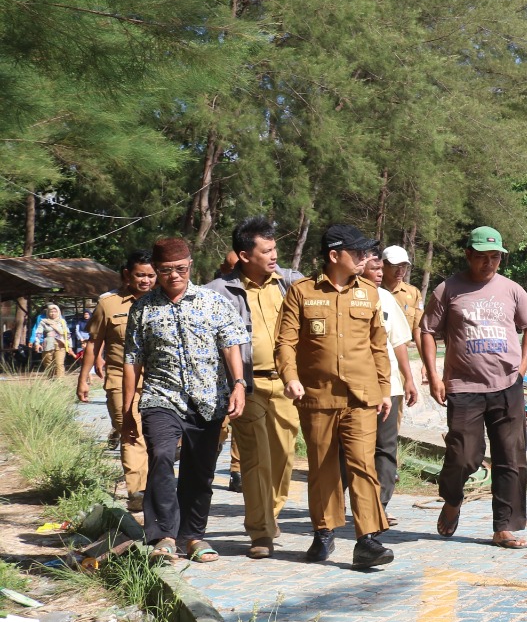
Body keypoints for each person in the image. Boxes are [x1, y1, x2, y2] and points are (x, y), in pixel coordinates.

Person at [122, 237, 249, 562]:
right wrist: (127, 411)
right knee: (162, 456)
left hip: (207, 399)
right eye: (165, 270)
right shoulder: (142, 309)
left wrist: (238, 384)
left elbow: (231, 344)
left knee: (200, 469)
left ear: (190, 265)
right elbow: (132, 360)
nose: (173, 275)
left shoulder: (213, 302)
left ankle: (192, 537)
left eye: (179, 269)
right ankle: (163, 536)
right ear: (156, 270)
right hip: (160, 398)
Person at [275, 224, 393, 567]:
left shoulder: (369, 293)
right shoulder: (301, 292)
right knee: (323, 468)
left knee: (363, 466)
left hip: (361, 396)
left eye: (365, 252)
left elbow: (378, 346)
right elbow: (286, 342)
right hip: (317, 396)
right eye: (357, 253)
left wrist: (384, 389)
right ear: (334, 255)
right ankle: (324, 534)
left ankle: (367, 540)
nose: (364, 258)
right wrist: (290, 377)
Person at [418, 226, 527, 548]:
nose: (489, 263)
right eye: (482, 257)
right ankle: (453, 498)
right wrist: (433, 376)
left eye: (495, 257)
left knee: (510, 456)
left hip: (507, 384)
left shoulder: (512, 289)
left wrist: (523, 366)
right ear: (469, 255)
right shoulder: (448, 290)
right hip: (463, 386)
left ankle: (504, 527)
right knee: (464, 455)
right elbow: (427, 331)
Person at [207, 217, 305, 560]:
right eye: (266, 250)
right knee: (255, 460)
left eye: (275, 248)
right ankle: (261, 533)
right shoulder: (219, 291)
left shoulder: (290, 284)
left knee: (282, 460)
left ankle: (270, 514)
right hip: (246, 386)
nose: (274, 255)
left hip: (287, 385)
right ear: (245, 255)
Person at [78, 251, 157, 510]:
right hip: (121, 380)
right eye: (140, 275)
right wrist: (84, 379)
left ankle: (157, 488)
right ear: (127, 275)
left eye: (151, 275)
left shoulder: (165, 301)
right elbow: (94, 343)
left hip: (159, 380)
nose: (146, 280)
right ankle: (138, 492)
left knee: (158, 437)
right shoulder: (109, 304)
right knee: (131, 432)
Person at [362, 254, 420, 519]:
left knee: (385, 447)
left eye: (379, 268)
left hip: (390, 386)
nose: (378, 272)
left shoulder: (387, 299)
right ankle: (346, 502)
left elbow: (399, 343)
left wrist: (409, 379)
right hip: (355, 387)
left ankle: (380, 505)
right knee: (350, 448)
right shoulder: (340, 298)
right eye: (374, 267)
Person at [380, 246, 423, 338]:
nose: (400, 270)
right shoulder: (372, 290)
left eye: (404, 266)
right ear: (382, 265)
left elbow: (417, 329)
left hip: (404, 350)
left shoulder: (413, 293)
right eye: (394, 266)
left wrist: (423, 352)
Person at [30, 304, 71, 379]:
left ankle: (60, 381)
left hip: (60, 344)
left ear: (58, 312)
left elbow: (67, 333)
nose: (53, 313)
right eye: (51, 312)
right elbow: (38, 332)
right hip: (48, 344)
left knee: (59, 363)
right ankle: (50, 378)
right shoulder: (43, 322)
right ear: (48, 312)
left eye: (55, 312)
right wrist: (37, 343)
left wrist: (69, 345)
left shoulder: (62, 321)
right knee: (48, 362)